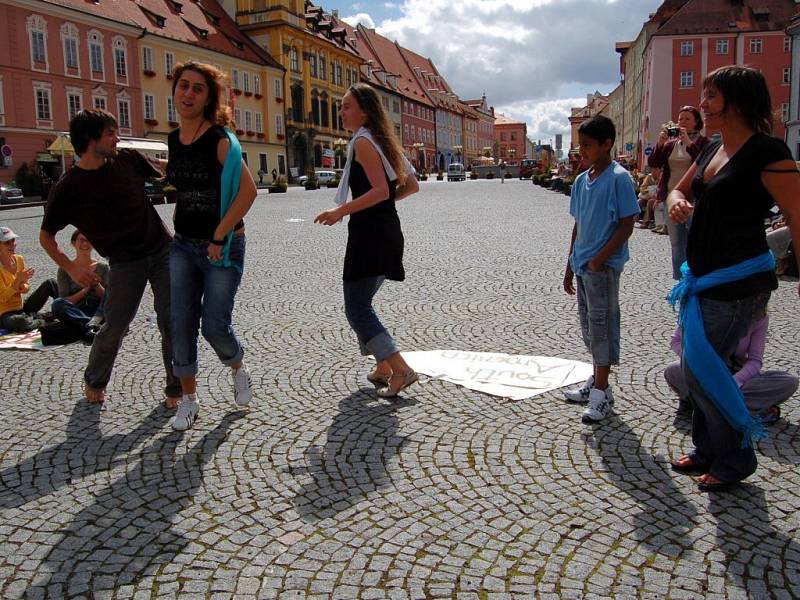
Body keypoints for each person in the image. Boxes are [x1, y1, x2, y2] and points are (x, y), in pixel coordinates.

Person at [667, 65, 800, 492]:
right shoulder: (711, 150)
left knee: (705, 372)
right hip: (701, 280)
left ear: (736, 102)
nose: (702, 104)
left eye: (711, 96)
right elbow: (680, 189)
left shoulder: (768, 152)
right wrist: (675, 202)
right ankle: (708, 449)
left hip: (740, 282)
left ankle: (736, 457)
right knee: (699, 368)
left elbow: (797, 215)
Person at [40, 108, 182, 406]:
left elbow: (163, 167)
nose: (118, 138)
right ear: (91, 140)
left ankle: (176, 388)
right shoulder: (68, 188)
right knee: (115, 324)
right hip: (124, 263)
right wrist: (70, 268)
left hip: (162, 251)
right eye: (110, 133)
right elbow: (46, 236)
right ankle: (95, 379)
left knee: (171, 321)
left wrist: (192, 168)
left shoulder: (127, 159)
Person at [164, 61, 257, 431]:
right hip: (183, 245)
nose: (188, 94)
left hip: (224, 244)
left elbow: (247, 192)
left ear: (208, 98)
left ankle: (238, 367)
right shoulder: (173, 139)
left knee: (214, 326)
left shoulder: (220, 140)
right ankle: (189, 400)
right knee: (180, 324)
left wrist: (220, 234)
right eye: (183, 86)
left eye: (197, 88)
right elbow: (183, 181)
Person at [314, 83, 420, 397]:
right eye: (341, 106)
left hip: (369, 235)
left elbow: (378, 191)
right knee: (363, 303)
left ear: (364, 110)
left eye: (347, 106)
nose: (341, 111)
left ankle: (400, 368)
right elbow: (410, 186)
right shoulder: (382, 139)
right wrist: (384, 205)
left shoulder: (363, 141)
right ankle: (384, 366)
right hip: (385, 231)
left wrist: (340, 211)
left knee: (357, 308)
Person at [562, 115, 640, 422]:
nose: (583, 151)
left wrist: (600, 258)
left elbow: (626, 225)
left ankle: (602, 393)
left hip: (603, 267)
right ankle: (597, 379)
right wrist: (570, 264)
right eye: (580, 145)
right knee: (588, 326)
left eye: (588, 145)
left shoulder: (619, 178)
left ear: (607, 144)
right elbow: (578, 224)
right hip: (583, 265)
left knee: (603, 325)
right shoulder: (583, 180)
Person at [664, 311, 797, 424]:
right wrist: (699, 362)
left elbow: (755, 361)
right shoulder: (700, 305)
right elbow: (676, 341)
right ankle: (738, 410)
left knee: (789, 381)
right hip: (705, 372)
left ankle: (706, 406)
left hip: (737, 377)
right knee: (673, 371)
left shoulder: (759, 316)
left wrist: (735, 381)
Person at [648, 106, 710, 279]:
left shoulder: (704, 143)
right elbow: (654, 162)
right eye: (680, 119)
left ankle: (695, 276)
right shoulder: (671, 145)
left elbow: (704, 162)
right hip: (671, 198)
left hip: (694, 200)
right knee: (676, 243)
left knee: (694, 240)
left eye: (687, 119)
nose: (682, 122)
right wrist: (660, 143)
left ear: (697, 122)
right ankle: (680, 279)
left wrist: (689, 144)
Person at [51, 230, 108, 344]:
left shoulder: (103, 267)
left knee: (113, 293)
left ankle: (91, 323)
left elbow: (107, 297)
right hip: (76, 310)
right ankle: (91, 324)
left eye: (88, 241)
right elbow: (65, 299)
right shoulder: (65, 269)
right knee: (57, 304)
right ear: (73, 243)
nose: (85, 244)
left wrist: (96, 285)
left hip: (98, 308)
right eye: (81, 240)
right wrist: (85, 289)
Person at [0, 226, 58, 333]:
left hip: (22, 307)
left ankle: (68, 309)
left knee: (51, 283)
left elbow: (26, 288)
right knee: (18, 321)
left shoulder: (19, 259)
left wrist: (21, 284)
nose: (12, 244)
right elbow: (2, 298)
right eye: (7, 242)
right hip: (5, 313)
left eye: (13, 240)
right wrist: (16, 282)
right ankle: (41, 319)